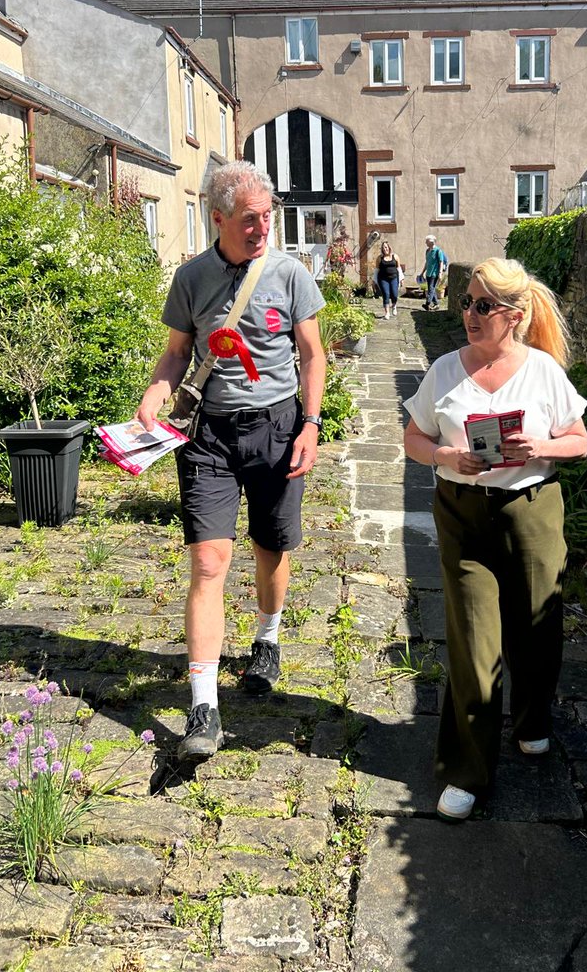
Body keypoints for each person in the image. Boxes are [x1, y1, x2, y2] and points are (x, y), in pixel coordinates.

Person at [136, 160, 326, 761]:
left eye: (268, 217)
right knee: (209, 562)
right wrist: (155, 392)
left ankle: (267, 637)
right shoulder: (190, 279)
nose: (262, 228)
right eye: (250, 219)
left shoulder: (290, 274)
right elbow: (175, 355)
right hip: (209, 436)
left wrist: (311, 425)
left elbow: (314, 355)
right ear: (216, 219)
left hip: (277, 427)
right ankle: (203, 707)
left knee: (271, 546)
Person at [403, 257, 587, 821]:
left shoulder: (543, 372)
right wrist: (444, 455)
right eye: (466, 302)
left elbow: (579, 440)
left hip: (531, 511)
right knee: (473, 641)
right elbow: (413, 436)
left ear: (513, 315)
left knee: (537, 627)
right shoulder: (443, 371)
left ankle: (532, 720)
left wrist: (541, 449)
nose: (470, 314)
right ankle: (466, 769)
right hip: (463, 514)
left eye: (483, 305)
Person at [373, 240, 404, 320]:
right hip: (383, 279)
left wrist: (401, 279)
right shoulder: (380, 258)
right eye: (383, 248)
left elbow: (399, 268)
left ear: (389, 248)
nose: (385, 249)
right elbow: (376, 270)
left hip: (394, 278)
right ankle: (387, 313)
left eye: (386, 247)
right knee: (386, 294)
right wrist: (374, 281)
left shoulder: (395, 256)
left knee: (394, 294)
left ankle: (394, 306)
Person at [423, 235, 447, 310]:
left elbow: (441, 262)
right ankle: (436, 304)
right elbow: (427, 263)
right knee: (432, 289)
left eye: (427, 241)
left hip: (434, 273)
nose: (425, 243)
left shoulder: (438, 251)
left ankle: (427, 303)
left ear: (431, 242)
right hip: (428, 274)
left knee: (431, 288)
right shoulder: (427, 251)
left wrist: (440, 273)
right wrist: (422, 272)